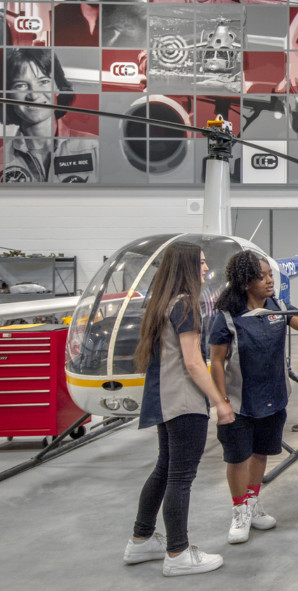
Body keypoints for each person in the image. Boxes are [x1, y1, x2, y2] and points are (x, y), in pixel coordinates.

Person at [125, 243, 232, 577]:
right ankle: (178, 553)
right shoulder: (186, 304)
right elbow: (193, 361)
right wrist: (220, 401)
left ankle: (140, 540)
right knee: (180, 477)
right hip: (184, 401)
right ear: (186, 267)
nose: (204, 268)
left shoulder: (162, 302)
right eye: (200, 263)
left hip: (164, 397)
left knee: (164, 469)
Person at [208, 250, 298, 544]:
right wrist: (221, 402)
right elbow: (216, 362)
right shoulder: (226, 319)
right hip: (239, 401)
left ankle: (252, 502)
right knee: (238, 458)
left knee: (261, 453)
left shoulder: (277, 307)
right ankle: (239, 511)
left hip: (273, 396)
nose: (268, 281)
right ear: (244, 281)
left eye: (270, 275)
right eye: (260, 276)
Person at [0, 49, 98, 183]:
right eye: (21, 85)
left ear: (58, 88)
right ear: (6, 95)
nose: (34, 95)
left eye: (43, 82)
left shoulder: (95, 148)